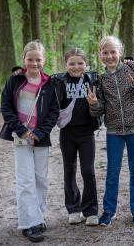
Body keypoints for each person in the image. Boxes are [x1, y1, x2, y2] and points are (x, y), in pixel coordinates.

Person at [87, 35, 134, 226]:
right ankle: (108, 211)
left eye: (113, 52)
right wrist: (94, 103)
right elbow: (99, 110)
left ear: (120, 53)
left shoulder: (132, 68)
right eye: (105, 53)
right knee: (112, 171)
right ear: (100, 55)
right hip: (114, 130)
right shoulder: (100, 79)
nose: (109, 56)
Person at [0, 40, 59, 243]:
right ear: (24, 59)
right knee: (25, 180)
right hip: (20, 137)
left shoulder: (50, 83)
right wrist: (22, 131)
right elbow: (6, 106)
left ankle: (39, 217)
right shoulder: (15, 80)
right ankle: (28, 223)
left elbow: (53, 112)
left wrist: (40, 132)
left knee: (41, 179)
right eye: (30, 59)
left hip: (40, 138)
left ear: (44, 60)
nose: (34, 63)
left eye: (38, 59)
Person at [52, 48, 101, 226]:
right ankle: (73, 209)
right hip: (67, 133)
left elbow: (100, 108)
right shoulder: (58, 81)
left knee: (88, 172)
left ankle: (91, 211)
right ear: (65, 64)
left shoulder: (93, 80)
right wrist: (18, 71)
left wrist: (94, 104)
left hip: (86, 132)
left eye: (80, 63)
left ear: (86, 64)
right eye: (72, 63)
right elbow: (37, 78)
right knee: (69, 171)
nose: (76, 66)